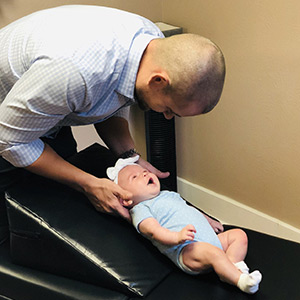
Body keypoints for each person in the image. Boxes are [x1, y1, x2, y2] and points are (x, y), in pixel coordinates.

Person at [0, 5, 226, 241]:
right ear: (158, 81)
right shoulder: (75, 73)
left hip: (39, 110)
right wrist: (87, 183)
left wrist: (130, 155)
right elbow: (9, 139)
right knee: (8, 230)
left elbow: (111, 98)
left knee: (56, 208)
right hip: (7, 125)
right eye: (169, 109)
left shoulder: (152, 46)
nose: (166, 116)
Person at [107, 156, 262, 294]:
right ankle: (240, 281)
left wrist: (209, 220)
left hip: (210, 241)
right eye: (135, 177)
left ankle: (234, 266)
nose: (145, 174)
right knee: (214, 253)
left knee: (238, 235)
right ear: (126, 200)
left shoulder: (168, 194)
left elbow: (190, 210)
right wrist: (177, 237)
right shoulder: (140, 209)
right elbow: (153, 232)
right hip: (187, 250)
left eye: (143, 171)